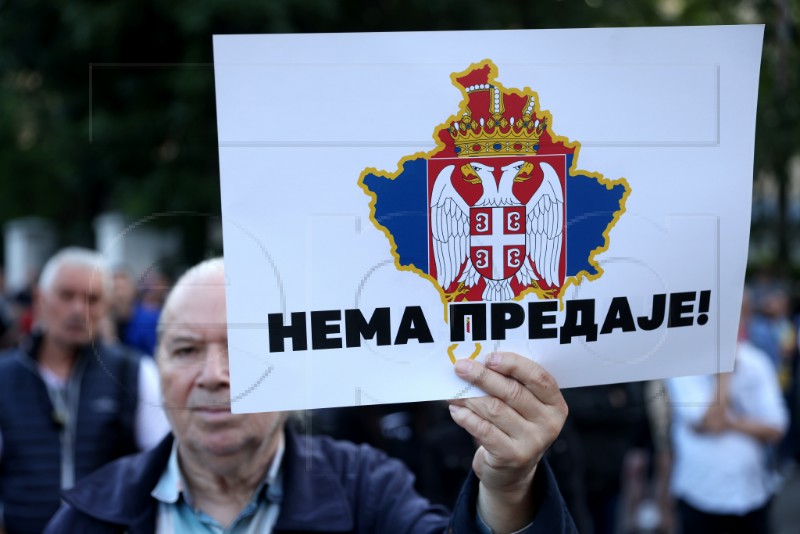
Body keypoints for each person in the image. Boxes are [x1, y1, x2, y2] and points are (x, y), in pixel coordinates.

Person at [45, 257, 576, 533]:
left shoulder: (368, 491)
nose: (213, 375)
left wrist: (507, 491)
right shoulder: (94, 513)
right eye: (185, 350)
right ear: (155, 368)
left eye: (243, 349)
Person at [0, 247, 170, 534]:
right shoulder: (5, 376)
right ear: (40, 299)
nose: (78, 309)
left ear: (107, 306)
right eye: (66, 295)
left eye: (92, 298)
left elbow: (164, 467)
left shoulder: (135, 372)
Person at [666, 292, 789, 534]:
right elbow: (712, 422)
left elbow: (776, 428)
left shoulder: (758, 363)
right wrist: (725, 371)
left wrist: (731, 423)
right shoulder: (682, 364)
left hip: (751, 496)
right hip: (701, 497)